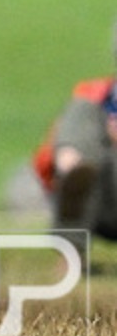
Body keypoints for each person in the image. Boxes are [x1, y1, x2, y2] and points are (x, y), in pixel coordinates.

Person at [38, 18, 117, 255]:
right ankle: (74, 169)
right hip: (102, 193)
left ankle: (75, 168)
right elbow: (43, 162)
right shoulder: (95, 96)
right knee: (84, 111)